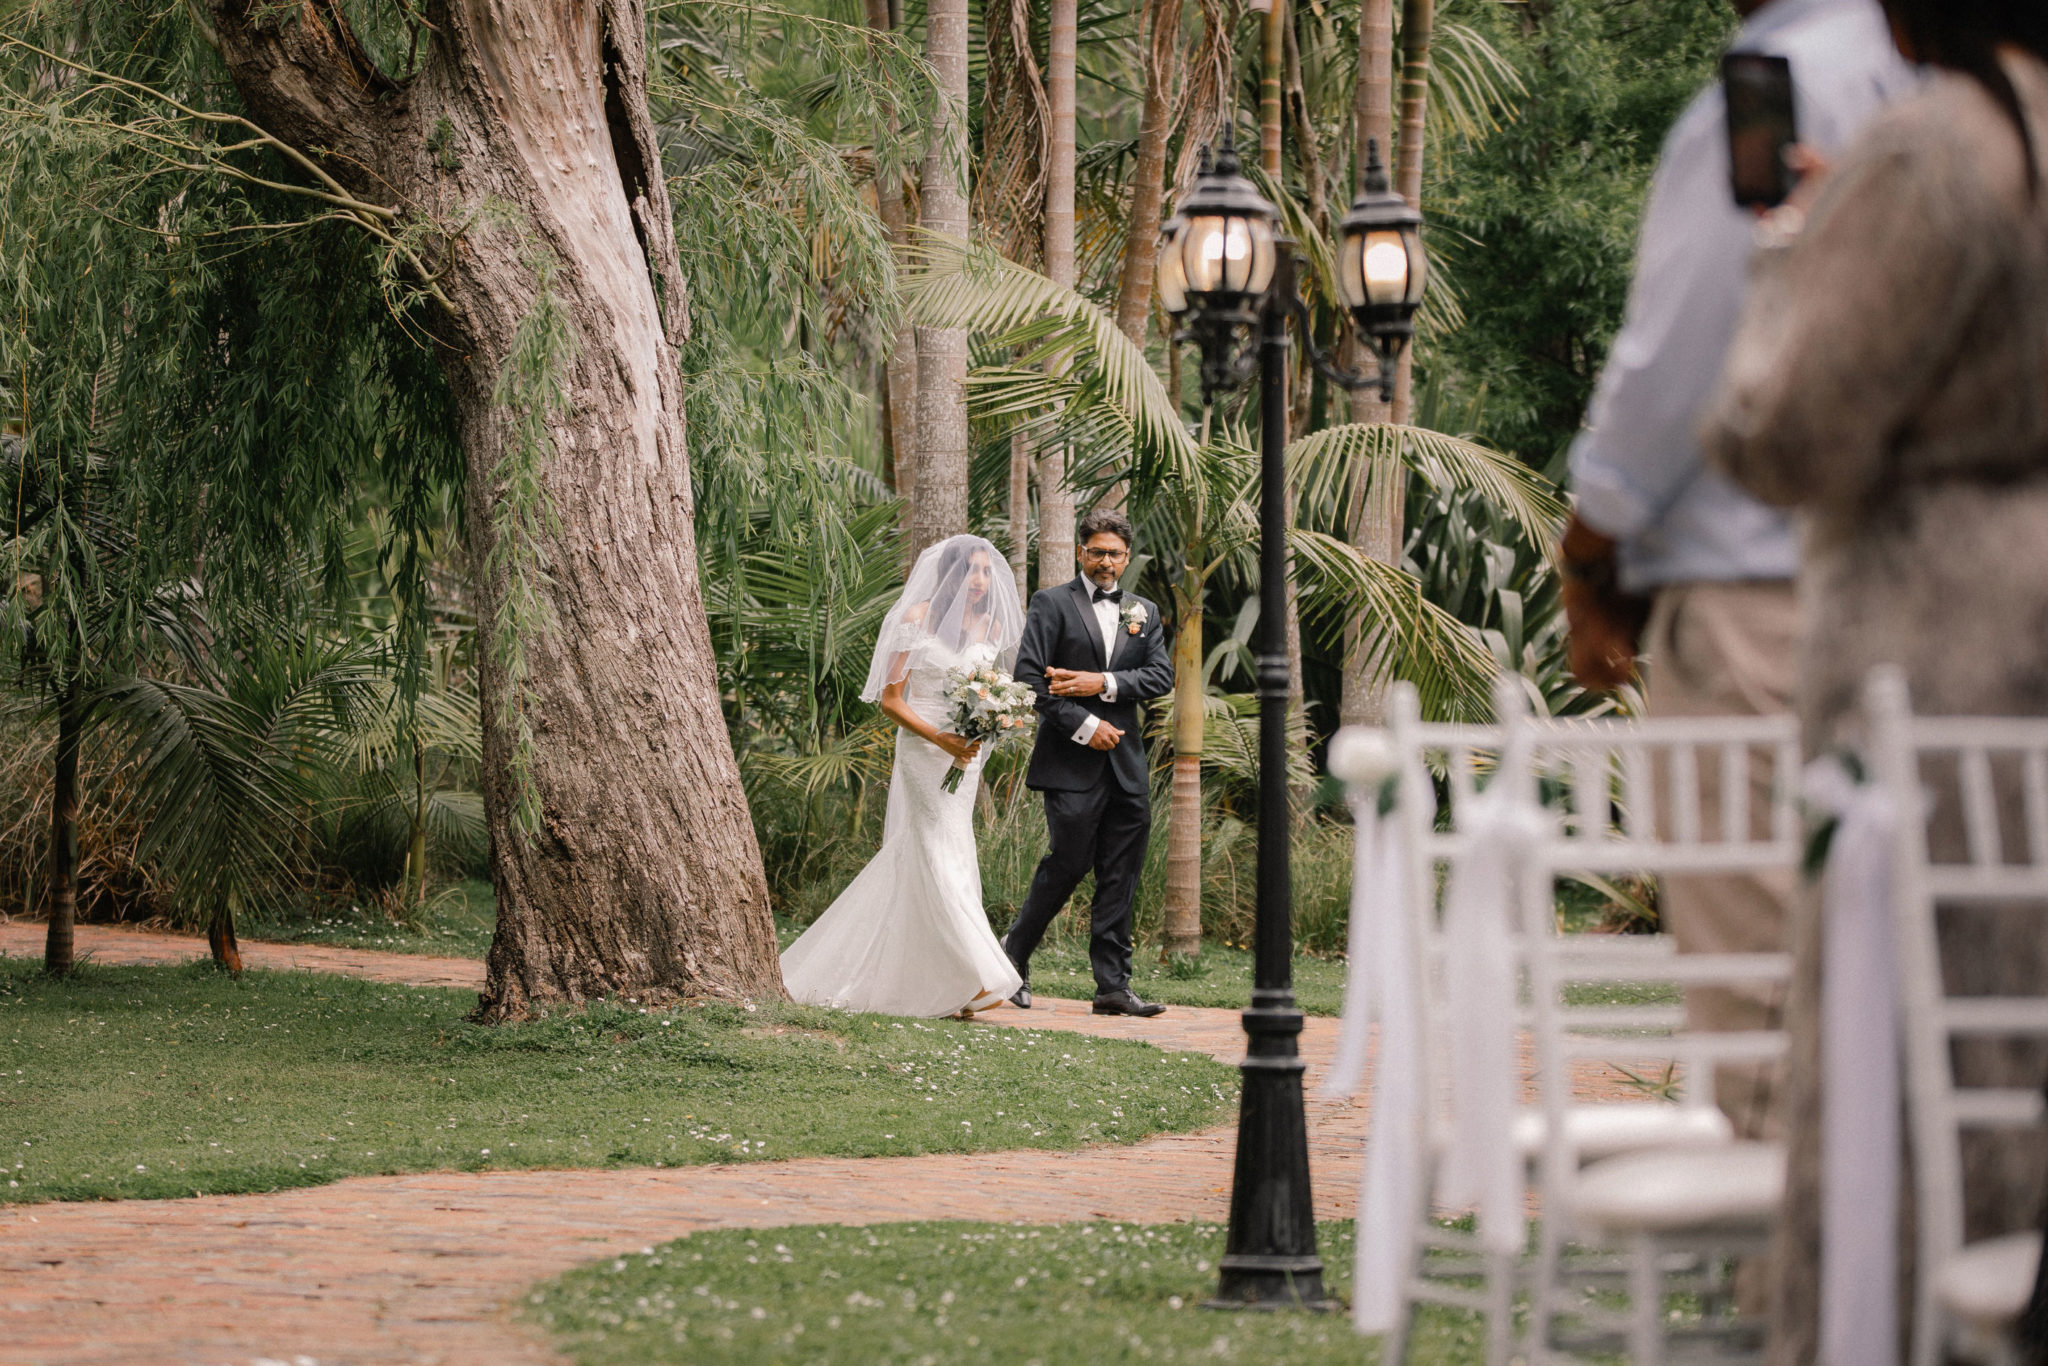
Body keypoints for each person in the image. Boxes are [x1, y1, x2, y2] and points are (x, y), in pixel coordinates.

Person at [1703, 6, 2048, 1359]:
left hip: (1932, 645)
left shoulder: (1941, 152)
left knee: (1903, 1051)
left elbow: (1781, 431)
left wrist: (1796, 259)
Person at [1558, 0, 1913, 1139]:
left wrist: (1589, 549)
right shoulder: (1978, 81)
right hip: (1949, 601)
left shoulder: (1780, 87)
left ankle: (1800, 1295)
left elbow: (1678, 359)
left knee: (1767, 1001)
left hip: (1766, 606)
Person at [780, 535, 1025, 1018]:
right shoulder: (916, 620)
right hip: (924, 747)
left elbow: (989, 689)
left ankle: (944, 978)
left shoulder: (991, 625)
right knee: (937, 847)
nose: (981, 581)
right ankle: (977, 974)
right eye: (972, 571)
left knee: (948, 849)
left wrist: (990, 722)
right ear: (952, 574)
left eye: (985, 572)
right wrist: (940, 738)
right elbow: (892, 701)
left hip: (966, 754)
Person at [1000, 508, 1175, 1017]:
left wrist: (1103, 683)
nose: (1105, 562)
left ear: (1126, 558)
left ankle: (1113, 987)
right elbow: (1031, 681)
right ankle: (1012, 960)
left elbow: (1160, 677)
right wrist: (1086, 725)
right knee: (1068, 863)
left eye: (1114, 554)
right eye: (1096, 552)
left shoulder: (1144, 610)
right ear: (1082, 552)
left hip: (1127, 766)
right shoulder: (1051, 604)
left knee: (1122, 872)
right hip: (1069, 764)